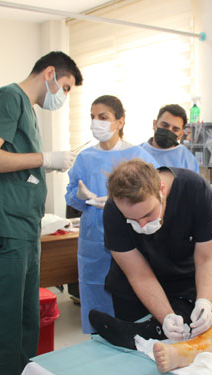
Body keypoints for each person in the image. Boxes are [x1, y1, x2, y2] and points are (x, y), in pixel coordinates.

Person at [0, 51, 82, 375]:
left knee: (28, 322)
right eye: (64, 87)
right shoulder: (7, 97)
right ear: (50, 73)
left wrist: (43, 166)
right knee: (8, 326)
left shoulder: (27, 110)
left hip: (23, 228)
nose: (63, 96)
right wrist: (44, 158)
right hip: (2, 228)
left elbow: (14, 165)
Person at [65, 95, 158, 333]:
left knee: (130, 294)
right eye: (93, 117)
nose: (96, 122)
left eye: (103, 117)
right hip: (93, 241)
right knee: (96, 296)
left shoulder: (138, 156)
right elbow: (71, 196)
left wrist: (117, 203)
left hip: (129, 237)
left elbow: (155, 193)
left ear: (120, 121)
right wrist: (81, 196)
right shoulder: (85, 158)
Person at [102, 159, 212, 341]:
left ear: (162, 190)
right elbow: (139, 275)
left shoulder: (195, 190)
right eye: (132, 220)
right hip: (134, 293)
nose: (142, 226)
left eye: (148, 215)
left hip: (185, 285)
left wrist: (204, 302)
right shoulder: (113, 210)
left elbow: (208, 258)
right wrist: (166, 316)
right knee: (140, 348)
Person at [139, 104, 199, 173]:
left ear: (181, 134)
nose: (169, 131)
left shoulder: (187, 160)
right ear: (154, 124)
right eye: (165, 125)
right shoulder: (138, 153)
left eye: (175, 129)